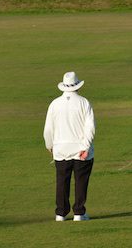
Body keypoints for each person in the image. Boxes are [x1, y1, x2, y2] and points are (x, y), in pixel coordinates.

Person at [44, 71, 96, 222]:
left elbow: (48, 128)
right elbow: (90, 127)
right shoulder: (84, 102)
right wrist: (86, 147)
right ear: (77, 86)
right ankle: (79, 213)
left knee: (62, 181)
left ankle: (60, 213)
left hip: (61, 148)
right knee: (81, 180)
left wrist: (50, 145)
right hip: (80, 148)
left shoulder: (54, 104)